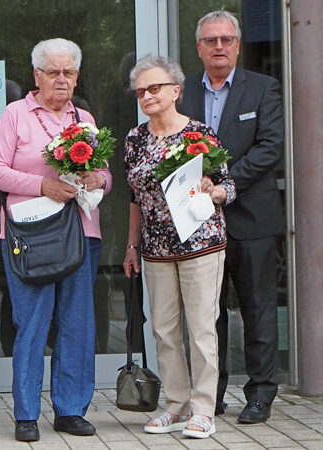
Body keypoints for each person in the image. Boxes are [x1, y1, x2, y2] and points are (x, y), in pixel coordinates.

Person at [0, 38, 111, 442]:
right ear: (36, 75)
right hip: (30, 235)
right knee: (33, 323)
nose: (61, 79)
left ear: (76, 76)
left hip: (81, 233)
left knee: (77, 324)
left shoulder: (85, 117)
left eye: (69, 72)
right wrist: (43, 184)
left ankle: (71, 410)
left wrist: (99, 180)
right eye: (53, 72)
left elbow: (106, 175)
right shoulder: (15, 114)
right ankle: (26, 413)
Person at [178, 9, 285, 423]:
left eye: (226, 40)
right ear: (199, 48)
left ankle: (260, 394)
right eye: (210, 41)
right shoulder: (181, 90)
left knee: (258, 309)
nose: (218, 47)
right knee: (207, 313)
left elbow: (270, 147)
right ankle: (211, 394)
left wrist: (224, 182)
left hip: (252, 219)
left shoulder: (263, 88)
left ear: (237, 45)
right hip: (196, 221)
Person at [122, 54, 235, 439]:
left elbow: (228, 185)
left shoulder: (199, 135)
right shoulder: (135, 139)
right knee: (165, 331)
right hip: (155, 249)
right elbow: (133, 198)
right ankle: (176, 403)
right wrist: (132, 245)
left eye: (154, 88)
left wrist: (213, 189)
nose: (147, 96)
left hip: (201, 244)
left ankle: (204, 409)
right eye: (141, 91)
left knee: (202, 329)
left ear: (175, 91)